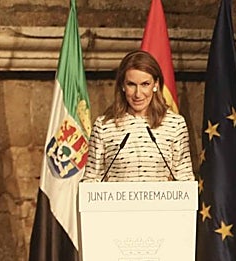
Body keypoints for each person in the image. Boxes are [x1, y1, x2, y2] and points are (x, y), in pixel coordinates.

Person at [82, 49, 194, 182]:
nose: (138, 94)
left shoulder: (175, 124)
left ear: (156, 84)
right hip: (116, 203)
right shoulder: (104, 126)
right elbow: (90, 181)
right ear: (123, 85)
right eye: (131, 84)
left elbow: (185, 180)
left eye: (145, 84)